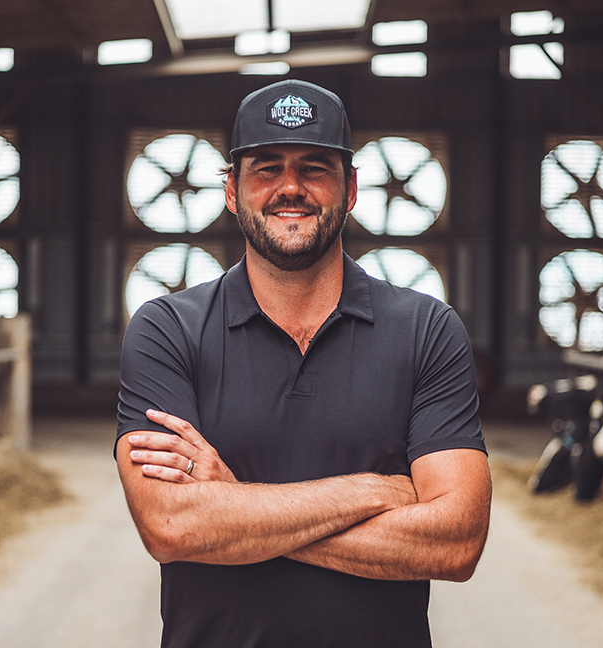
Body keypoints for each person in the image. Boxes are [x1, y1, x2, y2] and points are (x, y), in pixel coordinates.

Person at [116, 79, 492, 648]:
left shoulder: (426, 330)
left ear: (353, 187)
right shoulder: (167, 330)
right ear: (231, 190)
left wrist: (234, 502)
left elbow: (457, 542)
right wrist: (372, 492)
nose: (290, 188)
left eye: (315, 167)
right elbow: (171, 525)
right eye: (266, 168)